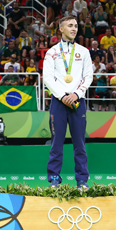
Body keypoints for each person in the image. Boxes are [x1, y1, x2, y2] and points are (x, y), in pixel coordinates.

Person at [42, 16, 93, 189]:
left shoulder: (84, 51)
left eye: (76, 26)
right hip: (59, 102)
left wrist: (77, 94)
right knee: (57, 143)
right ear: (61, 29)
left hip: (78, 102)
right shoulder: (52, 52)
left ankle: (82, 181)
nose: (74, 28)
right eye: (70, 25)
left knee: (80, 143)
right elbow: (47, 78)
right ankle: (54, 179)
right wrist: (63, 96)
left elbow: (88, 77)